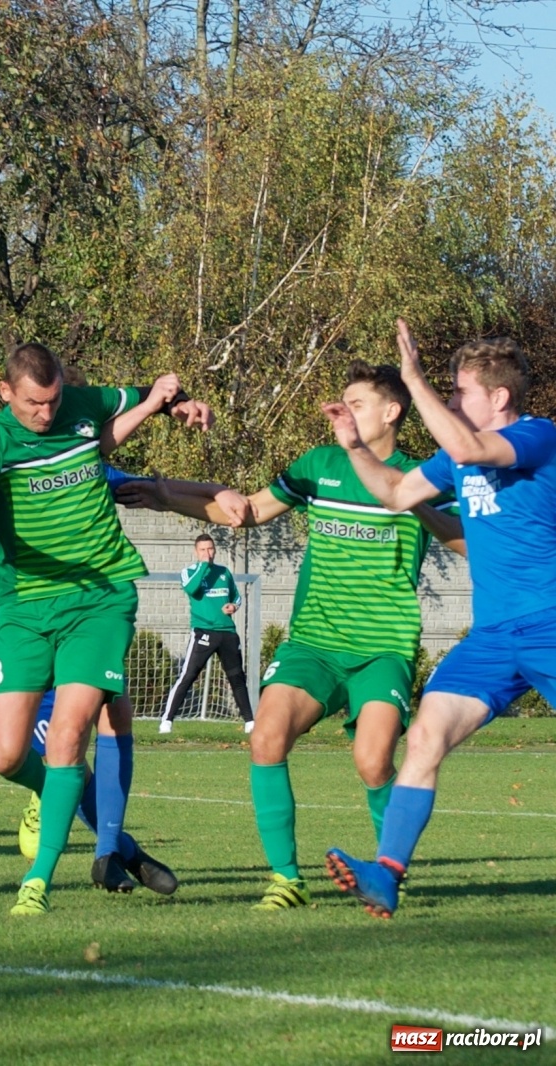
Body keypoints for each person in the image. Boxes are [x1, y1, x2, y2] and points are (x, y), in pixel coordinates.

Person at [124, 358, 459, 911]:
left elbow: (466, 541)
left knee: (374, 761)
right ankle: (287, 880)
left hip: (383, 649)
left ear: (392, 411)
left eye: (356, 404)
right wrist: (166, 494)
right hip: (313, 645)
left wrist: (421, 508)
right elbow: (248, 509)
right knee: (266, 737)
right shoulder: (319, 466)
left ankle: (387, 873)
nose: (343, 413)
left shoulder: (420, 479)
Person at [0, 342, 212, 916]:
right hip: (22, 606)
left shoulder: (80, 404)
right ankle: (113, 841)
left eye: (54, 399)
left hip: (99, 597)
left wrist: (176, 401)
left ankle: (37, 882)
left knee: (69, 733)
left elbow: (145, 394)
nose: (46, 413)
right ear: (7, 393)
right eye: (34, 403)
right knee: (7, 756)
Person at [322, 322, 553, 919]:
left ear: (498, 398)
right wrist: (353, 444)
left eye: (459, 393)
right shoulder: (456, 458)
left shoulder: (537, 436)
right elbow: (397, 493)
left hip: (550, 622)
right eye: (446, 393)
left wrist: (415, 379)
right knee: (424, 737)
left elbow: (475, 449)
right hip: (495, 637)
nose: (449, 403)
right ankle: (387, 874)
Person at [156, 533, 255, 734]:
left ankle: (250, 722)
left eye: (210, 549)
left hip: (227, 632)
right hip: (203, 631)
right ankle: (167, 720)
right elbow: (192, 589)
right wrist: (203, 566)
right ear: (196, 551)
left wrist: (233, 607)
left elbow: (236, 597)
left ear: (215, 550)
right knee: (188, 675)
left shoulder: (224, 572)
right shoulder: (189, 572)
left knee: (236, 677)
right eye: (203, 549)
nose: (207, 553)